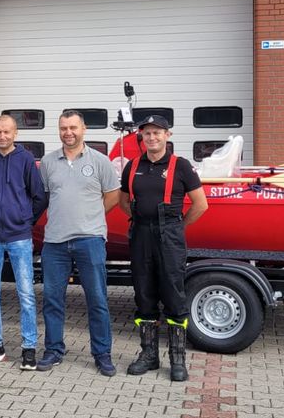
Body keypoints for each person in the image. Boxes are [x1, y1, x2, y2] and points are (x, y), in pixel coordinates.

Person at [119, 115, 208, 381]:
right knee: (144, 294)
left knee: (173, 296)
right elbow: (124, 202)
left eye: (157, 132)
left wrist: (177, 226)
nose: (152, 137)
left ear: (167, 135)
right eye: (147, 133)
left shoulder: (181, 166)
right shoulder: (133, 165)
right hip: (141, 235)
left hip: (169, 235)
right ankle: (149, 355)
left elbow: (201, 204)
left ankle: (177, 359)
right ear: (142, 137)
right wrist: (142, 221)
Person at [37, 110, 121, 376]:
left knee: (97, 298)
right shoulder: (48, 162)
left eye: (73, 127)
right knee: (52, 299)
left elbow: (113, 195)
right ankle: (53, 350)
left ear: (83, 129)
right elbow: (45, 197)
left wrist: (91, 216)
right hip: (55, 243)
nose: (68, 132)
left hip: (90, 240)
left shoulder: (100, 161)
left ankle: (102, 353)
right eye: (63, 128)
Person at [0, 115, 47, 369]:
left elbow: (39, 196)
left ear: (15, 133)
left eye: (7, 132)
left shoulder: (25, 160)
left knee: (26, 294)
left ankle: (29, 348)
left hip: (19, 238)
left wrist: (25, 220)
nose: (2, 136)